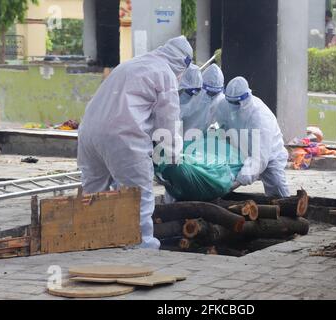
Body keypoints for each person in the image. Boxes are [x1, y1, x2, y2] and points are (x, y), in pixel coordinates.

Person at [78, 36, 193, 249]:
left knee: (93, 194)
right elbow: (168, 122)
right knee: (138, 197)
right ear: (182, 65)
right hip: (123, 137)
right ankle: (141, 250)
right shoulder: (165, 74)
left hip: (88, 134)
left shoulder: (132, 63)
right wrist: (174, 158)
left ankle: (92, 244)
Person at [215, 76, 290, 198]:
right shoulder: (224, 105)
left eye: (236, 103)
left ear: (245, 99)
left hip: (269, 155)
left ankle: (286, 210)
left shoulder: (260, 117)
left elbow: (258, 158)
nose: (233, 105)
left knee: (277, 190)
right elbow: (221, 127)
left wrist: (237, 182)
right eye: (230, 102)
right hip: (239, 150)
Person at [181, 63, 225, 135]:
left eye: (214, 93)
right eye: (209, 92)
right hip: (185, 140)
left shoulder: (222, 101)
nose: (211, 96)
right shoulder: (191, 98)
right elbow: (177, 116)